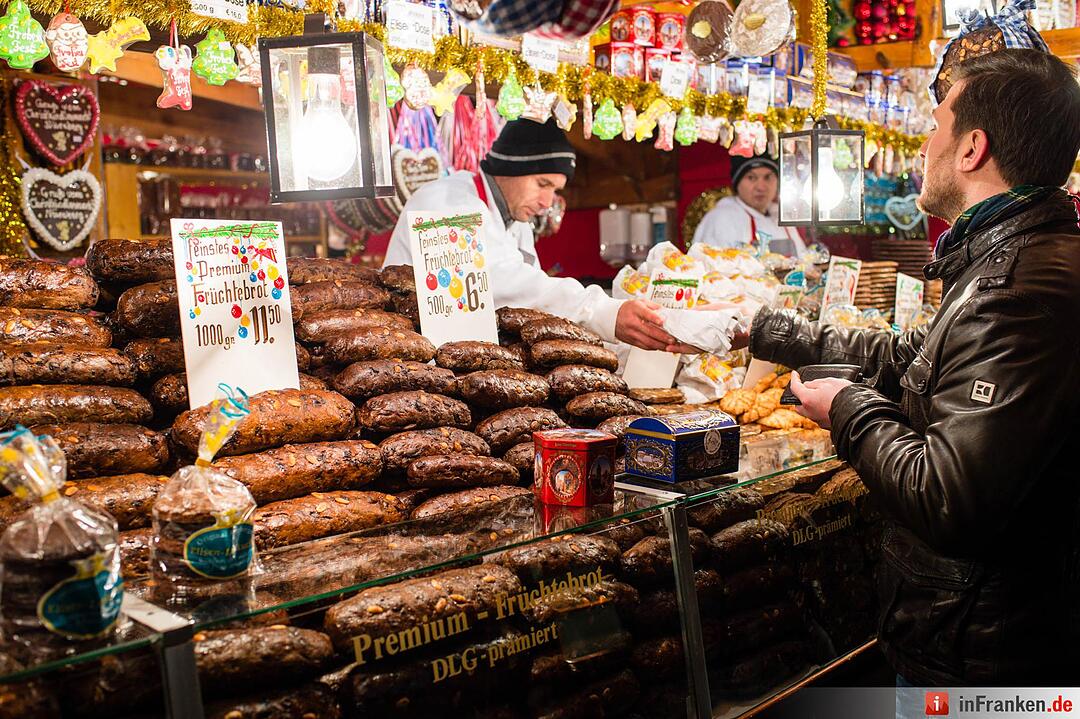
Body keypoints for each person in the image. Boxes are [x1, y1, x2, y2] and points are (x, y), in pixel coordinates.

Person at [737, 49, 1080, 686]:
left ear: (973, 148)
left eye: (935, 126)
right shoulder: (1013, 255)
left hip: (984, 658)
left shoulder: (1018, 288)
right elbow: (913, 358)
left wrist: (845, 408)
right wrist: (766, 329)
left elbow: (947, 497)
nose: (925, 144)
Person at [383, 119, 688, 352]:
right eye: (542, 184)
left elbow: (529, 300)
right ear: (510, 168)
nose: (546, 202)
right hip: (412, 365)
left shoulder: (515, 219)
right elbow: (506, 283)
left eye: (554, 190)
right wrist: (602, 311)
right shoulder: (447, 201)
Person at [691, 154, 806, 257]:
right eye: (751, 178)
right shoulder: (722, 218)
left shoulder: (781, 216)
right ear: (737, 184)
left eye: (768, 177)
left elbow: (803, 260)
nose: (761, 187)